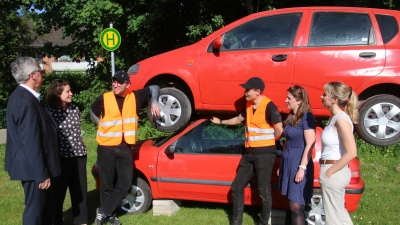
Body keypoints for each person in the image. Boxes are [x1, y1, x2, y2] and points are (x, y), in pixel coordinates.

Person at [90, 71, 161, 225]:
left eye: (119, 82)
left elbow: (154, 87)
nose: (115, 85)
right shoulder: (105, 98)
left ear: (127, 85)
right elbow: (92, 111)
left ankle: (103, 212)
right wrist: (101, 126)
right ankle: (110, 216)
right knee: (107, 184)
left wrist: (154, 101)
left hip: (125, 147)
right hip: (106, 147)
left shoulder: (134, 97)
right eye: (113, 82)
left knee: (125, 183)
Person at [210, 77, 283, 225]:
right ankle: (236, 222)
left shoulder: (269, 106)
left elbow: (279, 130)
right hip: (249, 153)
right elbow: (238, 119)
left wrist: (268, 144)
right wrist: (221, 122)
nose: (244, 92)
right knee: (236, 187)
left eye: (247, 90)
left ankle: (262, 223)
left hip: (265, 154)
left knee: (264, 191)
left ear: (257, 91)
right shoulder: (249, 104)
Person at [5, 57, 61, 225]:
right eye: (41, 71)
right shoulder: (25, 101)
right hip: (33, 169)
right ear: (33, 75)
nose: (43, 75)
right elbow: (30, 142)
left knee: (42, 210)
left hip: (32, 166)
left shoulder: (24, 97)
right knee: (35, 211)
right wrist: (41, 174)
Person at [45, 79, 88, 225]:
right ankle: (56, 221)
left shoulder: (74, 108)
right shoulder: (48, 113)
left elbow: (78, 129)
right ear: (57, 94)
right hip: (60, 159)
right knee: (58, 194)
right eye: (67, 91)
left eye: (70, 91)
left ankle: (81, 221)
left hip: (79, 156)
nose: (71, 94)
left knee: (80, 192)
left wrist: (81, 143)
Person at [319, 81, 358, 225]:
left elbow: (352, 152)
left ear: (334, 100)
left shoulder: (341, 120)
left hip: (334, 171)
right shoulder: (334, 118)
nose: (321, 96)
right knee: (340, 215)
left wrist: (330, 172)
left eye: (325, 95)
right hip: (333, 171)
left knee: (333, 220)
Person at [277, 85, 316, 225]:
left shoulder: (307, 117)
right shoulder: (292, 117)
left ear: (299, 100)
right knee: (290, 204)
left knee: (296, 206)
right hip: (288, 162)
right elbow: (287, 142)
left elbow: (310, 144)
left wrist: (302, 168)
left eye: (289, 98)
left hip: (299, 162)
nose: (286, 100)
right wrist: (282, 165)